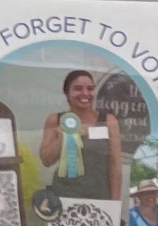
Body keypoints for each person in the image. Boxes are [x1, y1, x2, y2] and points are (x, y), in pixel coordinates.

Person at [38, 69, 123, 206]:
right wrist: (61, 139)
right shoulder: (55, 120)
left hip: (100, 198)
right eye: (78, 89)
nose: (85, 93)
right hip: (63, 197)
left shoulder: (108, 121)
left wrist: (115, 203)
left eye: (90, 89)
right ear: (67, 93)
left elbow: (115, 165)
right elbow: (46, 160)